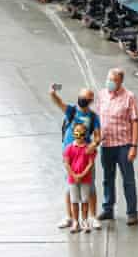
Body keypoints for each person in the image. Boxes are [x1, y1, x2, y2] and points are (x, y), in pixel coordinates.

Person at [51, 86, 102, 230]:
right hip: (70, 154)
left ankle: (92, 217)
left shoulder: (93, 117)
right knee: (70, 186)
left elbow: (98, 134)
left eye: (85, 98)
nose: (82, 100)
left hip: (85, 154)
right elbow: (58, 102)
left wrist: (94, 143)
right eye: (81, 97)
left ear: (90, 100)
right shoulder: (71, 111)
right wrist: (52, 93)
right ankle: (70, 217)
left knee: (90, 185)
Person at [95, 68, 138, 225]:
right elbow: (97, 118)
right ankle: (108, 209)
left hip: (123, 145)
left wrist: (134, 146)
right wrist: (96, 139)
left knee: (128, 180)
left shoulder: (129, 97)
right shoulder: (101, 95)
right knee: (108, 179)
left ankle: (132, 212)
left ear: (120, 81)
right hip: (106, 145)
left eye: (113, 80)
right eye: (109, 79)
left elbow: (135, 122)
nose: (110, 82)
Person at [63, 123, 96, 233]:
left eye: (81, 134)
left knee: (85, 200)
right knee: (74, 201)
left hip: (85, 179)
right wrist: (74, 175)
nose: (79, 136)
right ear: (73, 134)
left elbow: (90, 163)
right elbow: (66, 163)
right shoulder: (69, 148)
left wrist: (81, 175)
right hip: (73, 180)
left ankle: (84, 220)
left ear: (85, 135)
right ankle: (75, 221)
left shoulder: (89, 149)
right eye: (76, 133)